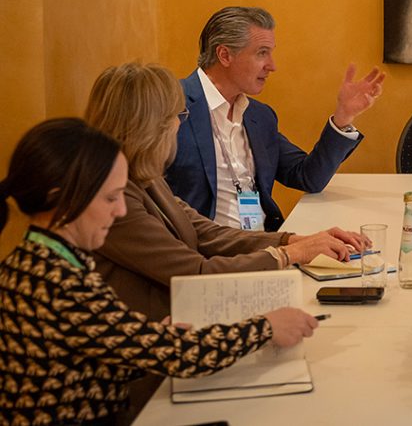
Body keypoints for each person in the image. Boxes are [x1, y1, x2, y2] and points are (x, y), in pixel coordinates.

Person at [0, 118, 319, 426]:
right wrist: (265, 327)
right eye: (111, 198)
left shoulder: (40, 260)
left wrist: (150, 338)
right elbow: (182, 356)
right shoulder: (58, 282)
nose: (121, 210)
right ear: (61, 201)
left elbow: (86, 357)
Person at [86, 62, 368, 320]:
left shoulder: (141, 173)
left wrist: (295, 240)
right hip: (162, 335)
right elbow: (196, 273)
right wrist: (289, 254)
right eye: (261, 53)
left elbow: (204, 231)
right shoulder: (114, 199)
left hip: (193, 304)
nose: (273, 65)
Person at [166, 6, 385, 230]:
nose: (272, 66)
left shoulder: (259, 116)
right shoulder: (169, 107)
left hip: (263, 246)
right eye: (262, 53)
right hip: (205, 256)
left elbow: (307, 177)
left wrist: (343, 116)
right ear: (225, 55)